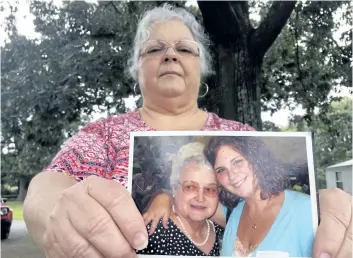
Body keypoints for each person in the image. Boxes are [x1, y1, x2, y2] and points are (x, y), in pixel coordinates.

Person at [23, 3, 352, 258]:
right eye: (154, 49)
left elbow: (262, 203)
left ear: (202, 65)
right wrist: (55, 210)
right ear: (137, 68)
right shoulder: (103, 134)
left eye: (183, 48)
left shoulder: (238, 133)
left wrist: (317, 215)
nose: (169, 55)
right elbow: (48, 186)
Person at [206, 136, 314, 257]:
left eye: (237, 162)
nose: (231, 175)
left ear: (257, 159)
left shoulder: (304, 209)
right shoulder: (232, 214)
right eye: (221, 170)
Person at [137, 142, 223, 256]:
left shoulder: (220, 231)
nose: (200, 198)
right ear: (174, 188)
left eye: (210, 189)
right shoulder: (156, 234)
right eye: (190, 187)